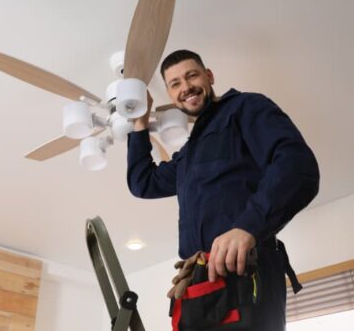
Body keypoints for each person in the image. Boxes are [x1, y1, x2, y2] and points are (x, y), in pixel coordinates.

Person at [126, 50, 320, 330]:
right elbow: (142, 183)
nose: (186, 87)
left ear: (209, 75)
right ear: (170, 94)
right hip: (195, 283)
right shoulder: (188, 155)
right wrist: (139, 123)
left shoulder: (245, 108)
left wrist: (248, 227)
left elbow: (298, 167)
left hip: (243, 273)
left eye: (192, 75)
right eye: (175, 83)